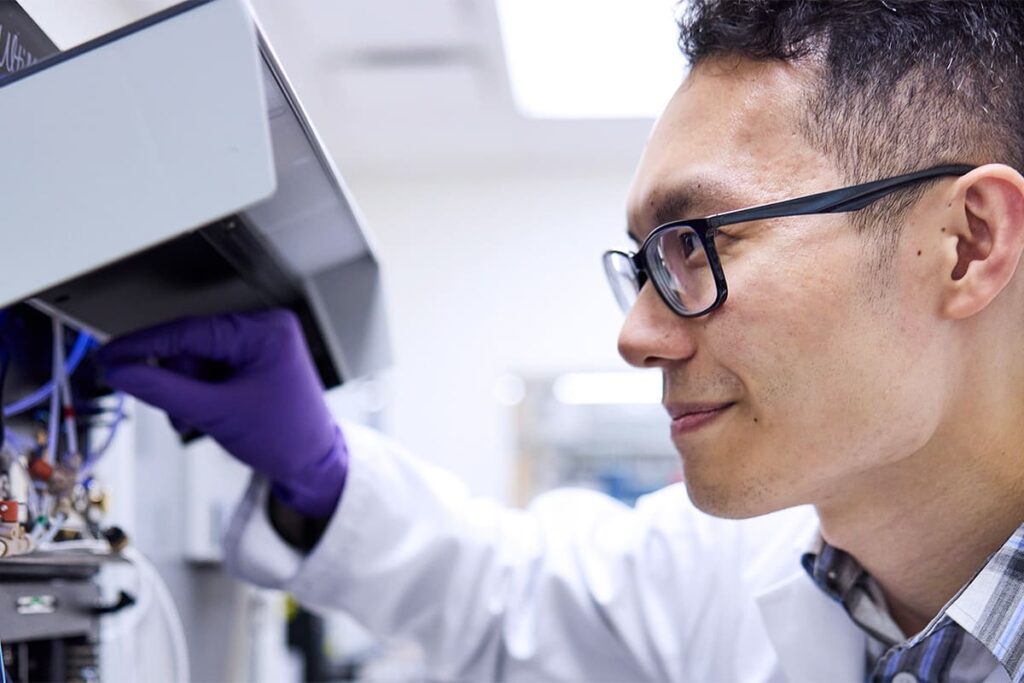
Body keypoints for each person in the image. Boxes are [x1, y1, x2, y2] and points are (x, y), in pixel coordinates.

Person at [97, 1, 1024, 681]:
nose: (636, 335)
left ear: (967, 244)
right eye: (644, 264)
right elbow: (503, 593)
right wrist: (322, 473)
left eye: (698, 242)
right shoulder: (737, 568)